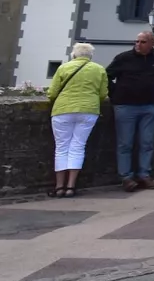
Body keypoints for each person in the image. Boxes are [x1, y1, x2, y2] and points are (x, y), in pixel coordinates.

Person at [104, 31, 154, 192]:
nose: (138, 45)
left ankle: (144, 174)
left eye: (142, 42)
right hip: (125, 105)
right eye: (137, 41)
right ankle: (126, 177)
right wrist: (115, 92)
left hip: (149, 105)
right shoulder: (124, 58)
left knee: (147, 142)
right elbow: (106, 76)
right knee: (125, 143)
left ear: (151, 43)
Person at [45, 43, 109, 197]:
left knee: (61, 147)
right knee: (78, 147)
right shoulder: (99, 69)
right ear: (90, 56)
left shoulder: (63, 68)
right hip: (88, 110)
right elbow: (103, 94)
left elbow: (52, 93)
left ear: (74, 54)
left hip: (63, 110)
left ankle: (59, 187)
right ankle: (71, 186)